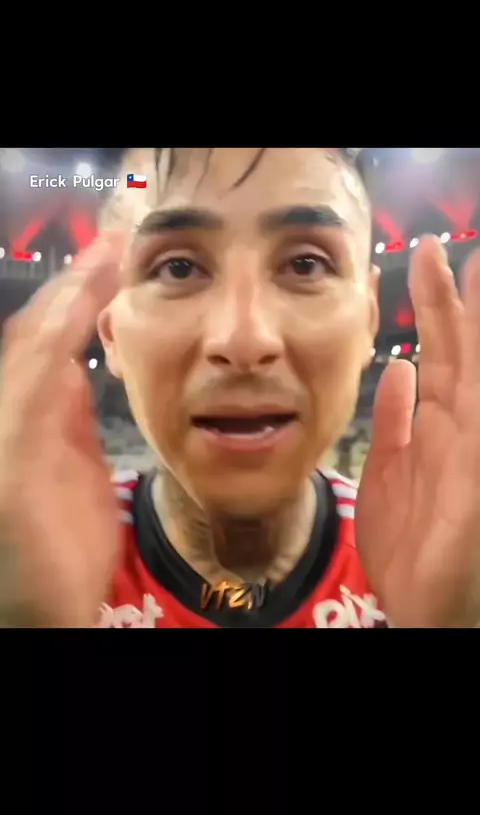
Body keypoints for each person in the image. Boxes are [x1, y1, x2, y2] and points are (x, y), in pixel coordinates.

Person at [1, 146, 480, 628]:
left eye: (305, 264)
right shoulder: (35, 570)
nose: (244, 340)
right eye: (178, 267)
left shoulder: (443, 562)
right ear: (111, 335)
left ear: (369, 321)